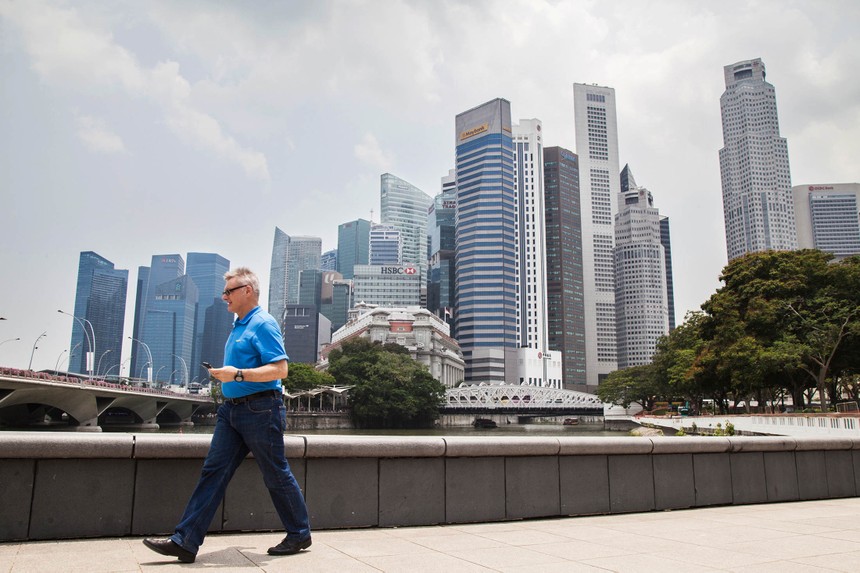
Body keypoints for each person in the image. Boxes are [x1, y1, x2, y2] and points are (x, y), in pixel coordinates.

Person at [143, 267, 311, 563]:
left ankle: (299, 532)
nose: (224, 297)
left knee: (274, 472)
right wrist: (225, 377)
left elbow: (280, 369)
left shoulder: (263, 323)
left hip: (261, 409)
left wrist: (238, 375)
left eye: (229, 291)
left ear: (247, 290)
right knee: (213, 472)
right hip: (230, 412)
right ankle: (185, 541)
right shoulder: (238, 326)